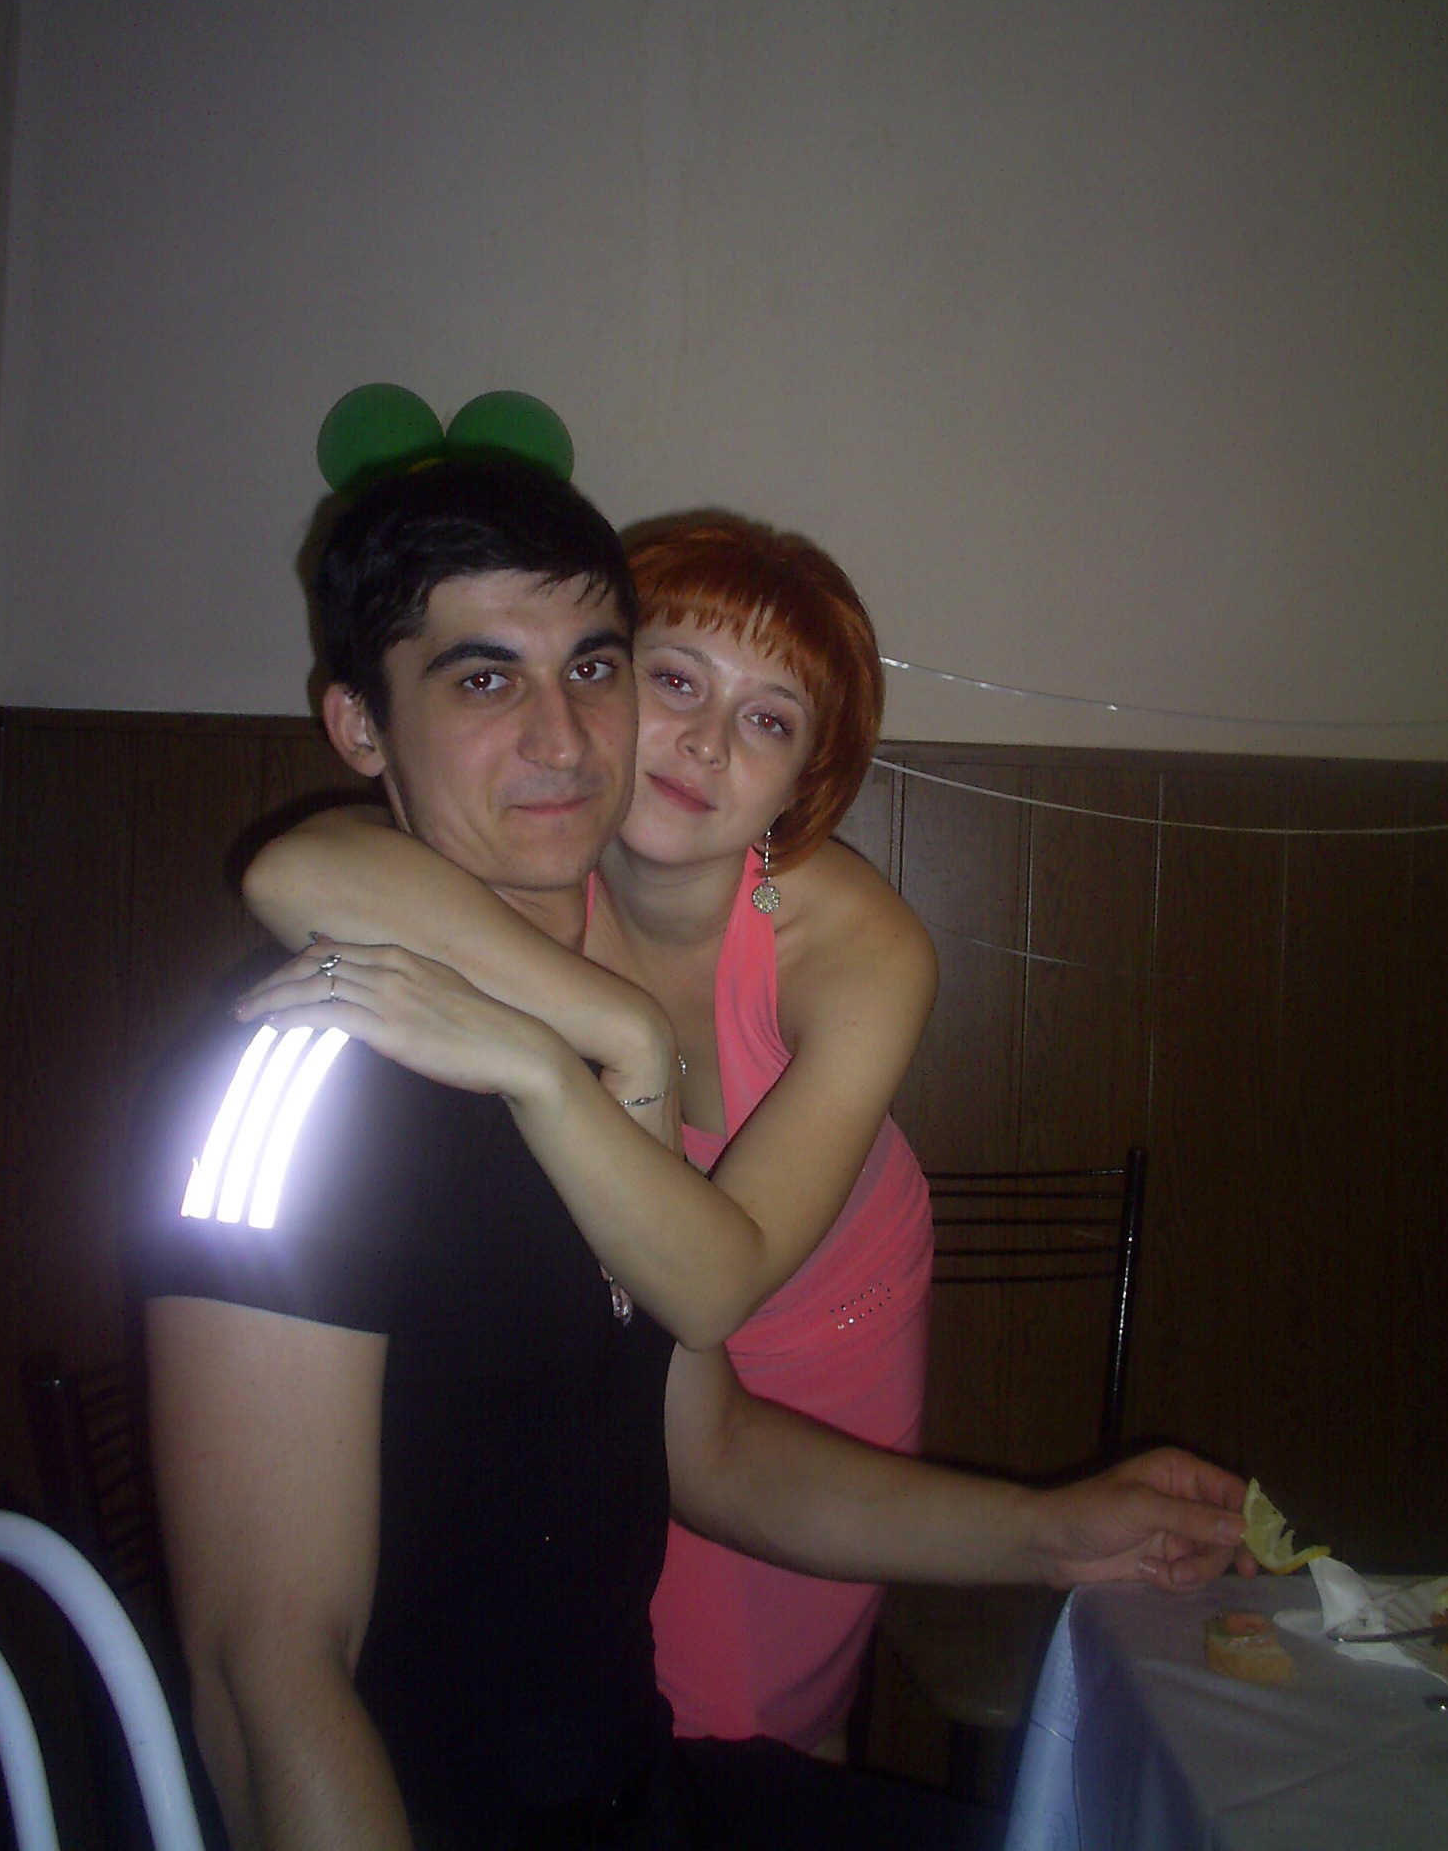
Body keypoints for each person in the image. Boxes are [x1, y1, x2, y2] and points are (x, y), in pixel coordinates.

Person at [137, 451, 1251, 1851]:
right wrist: (601, 1044)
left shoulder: (603, 1073)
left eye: (593, 669)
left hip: (636, 1785)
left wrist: (1050, 1531)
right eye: (484, 679)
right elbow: (265, 1683)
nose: (562, 739)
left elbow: (711, 1446)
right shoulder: (303, 1082)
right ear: (360, 727)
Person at [238, 510, 938, 1758]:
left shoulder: (859, 943)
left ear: (804, 780)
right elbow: (292, 872)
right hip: (629, 1369)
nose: (708, 741)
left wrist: (597, 1045)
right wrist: (613, 1022)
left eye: (769, 720)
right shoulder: (547, 864)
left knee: (777, 1716)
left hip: (816, 1366)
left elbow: (716, 1281)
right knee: (620, 1672)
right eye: (675, 680)